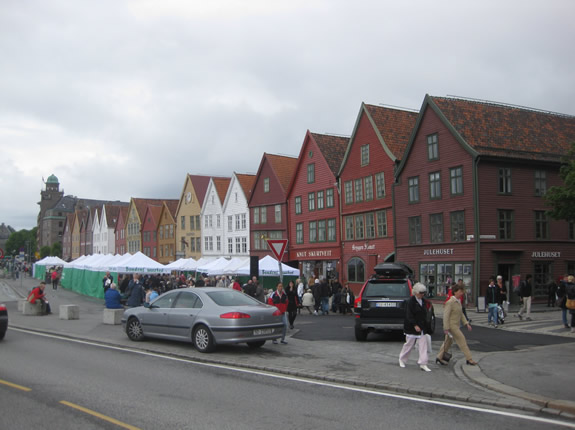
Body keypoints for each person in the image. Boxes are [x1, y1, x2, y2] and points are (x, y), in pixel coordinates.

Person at [436, 283, 477, 366]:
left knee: (448, 342)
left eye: (462, 291)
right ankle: (469, 359)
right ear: (455, 292)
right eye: (460, 291)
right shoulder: (450, 302)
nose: (462, 293)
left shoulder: (458, 302)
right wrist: (446, 328)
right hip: (452, 326)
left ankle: (439, 357)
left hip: (455, 325)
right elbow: (446, 315)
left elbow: (461, 314)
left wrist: (466, 323)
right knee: (462, 340)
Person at [399, 283, 432, 372]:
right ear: (416, 292)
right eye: (421, 293)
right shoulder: (410, 301)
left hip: (422, 327)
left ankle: (423, 363)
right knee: (409, 344)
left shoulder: (424, 301)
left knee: (423, 345)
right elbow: (409, 315)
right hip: (411, 327)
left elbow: (425, 314)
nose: (422, 294)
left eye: (423, 293)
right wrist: (415, 325)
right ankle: (402, 359)